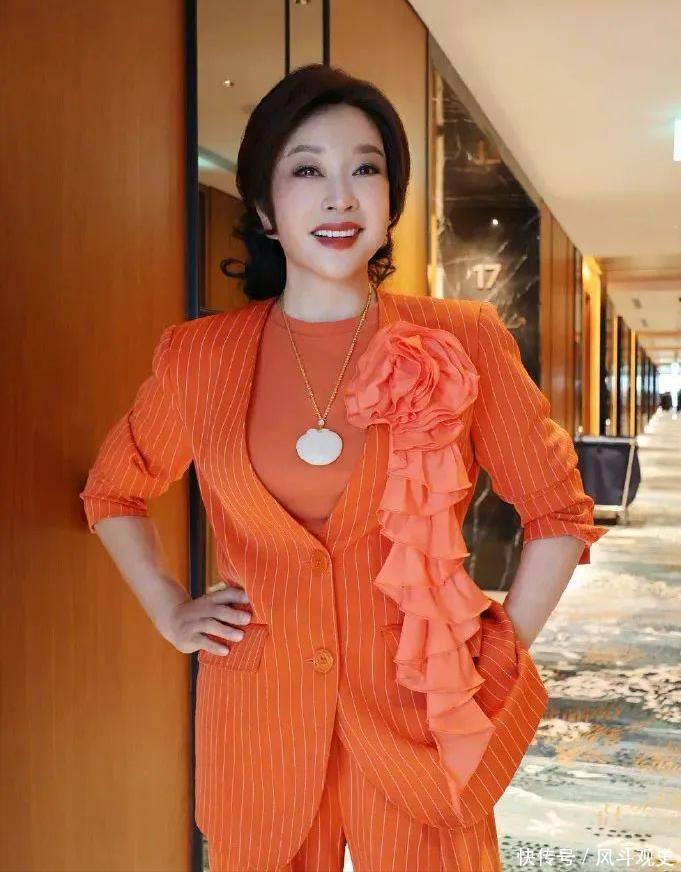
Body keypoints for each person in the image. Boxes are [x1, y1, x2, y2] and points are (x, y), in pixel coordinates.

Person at [79, 64, 609, 872]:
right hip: (259, 721)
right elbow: (114, 489)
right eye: (306, 171)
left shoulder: (461, 336)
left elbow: (558, 513)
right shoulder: (199, 355)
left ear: (390, 202)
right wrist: (167, 608)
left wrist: (497, 649)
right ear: (264, 208)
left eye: (365, 169)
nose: (339, 198)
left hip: (422, 717)